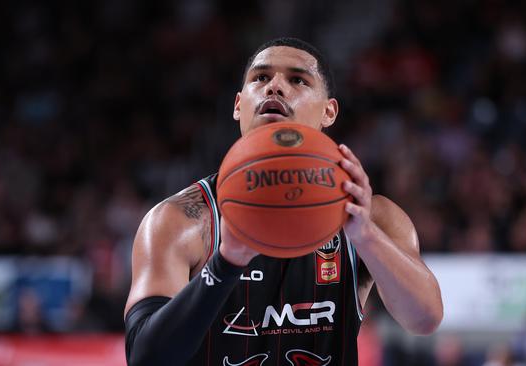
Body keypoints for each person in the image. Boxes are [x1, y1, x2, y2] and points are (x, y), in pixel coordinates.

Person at [124, 37, 443, 366]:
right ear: (238, 105)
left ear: (329, 111)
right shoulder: (182, 219)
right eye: (260, 78)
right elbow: (145, 358)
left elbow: (424, 320)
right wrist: (226, 263)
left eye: (297, 79)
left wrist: (365, 236)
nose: (274, 87)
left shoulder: (372, 216)